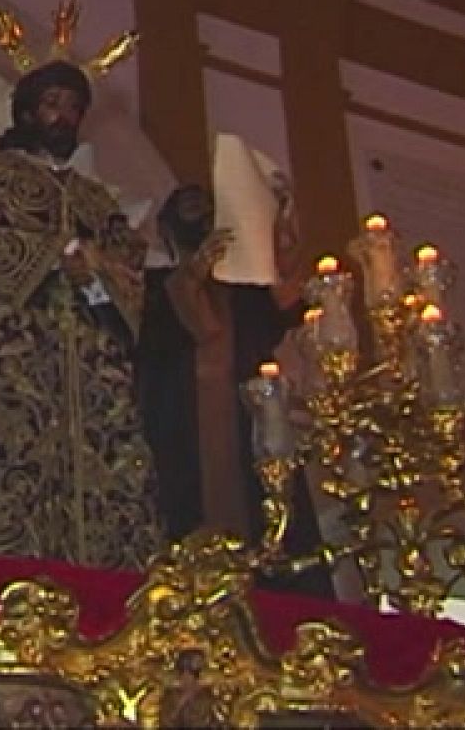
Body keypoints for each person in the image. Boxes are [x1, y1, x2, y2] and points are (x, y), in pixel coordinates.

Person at [0, 59, 164, 571]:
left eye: (72, 108)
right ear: (26, 110)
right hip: (16, 335)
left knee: (110, 461)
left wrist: (97, 271)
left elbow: (127, 260)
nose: (62, 117)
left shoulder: (94, 196)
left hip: (91, 349)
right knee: (7, 448)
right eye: (52, 104)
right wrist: (54, 258)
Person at [136, 180, 335, 598]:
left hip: (251, 435)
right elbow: (152, 335)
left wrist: (277, 225)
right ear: (166, 232)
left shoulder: (245, 295)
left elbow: (287, 300)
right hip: (175, 433)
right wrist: (187, 282)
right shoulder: (150, 287)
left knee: (270, 533)